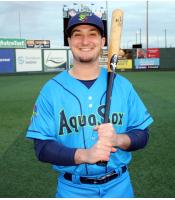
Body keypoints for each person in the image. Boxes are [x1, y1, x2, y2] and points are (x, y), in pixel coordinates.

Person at [26, 12, 153, 198]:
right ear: (69, 41)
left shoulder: (122, 86)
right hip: (72, 190)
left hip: (120, 187)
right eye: (77, 34)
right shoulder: (51, 90)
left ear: (102, 41)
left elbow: (142, 135)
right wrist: (84, 155)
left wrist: (117, 140)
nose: (85, 41)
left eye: (92, 33)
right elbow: (42, 148)